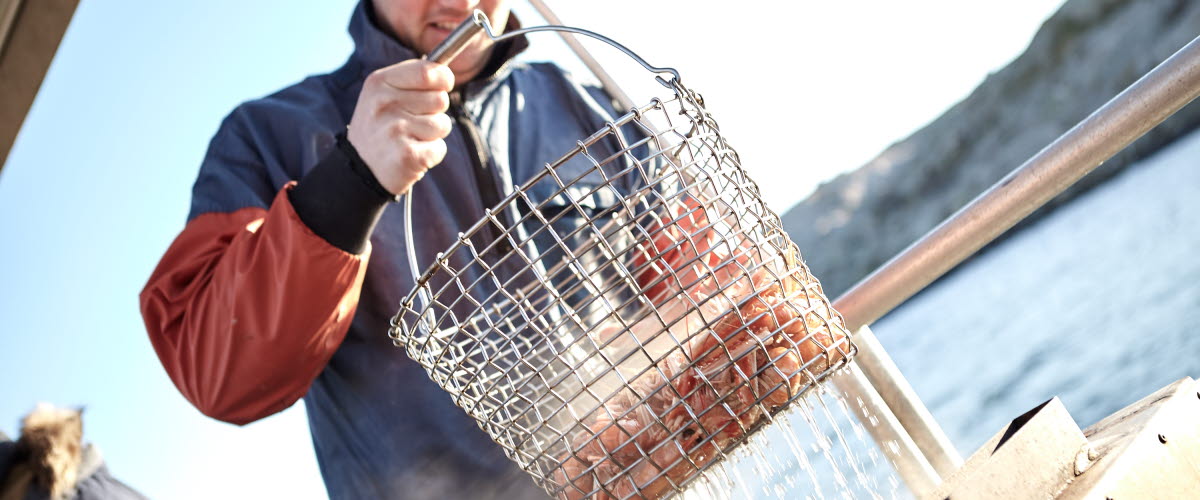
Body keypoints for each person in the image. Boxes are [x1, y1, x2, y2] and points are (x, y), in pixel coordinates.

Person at [139, 0, 637, 498]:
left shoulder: (589, 101)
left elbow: (699, 280)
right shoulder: (266, 138)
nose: (458, 3)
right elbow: (218, 372)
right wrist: (351, 181)